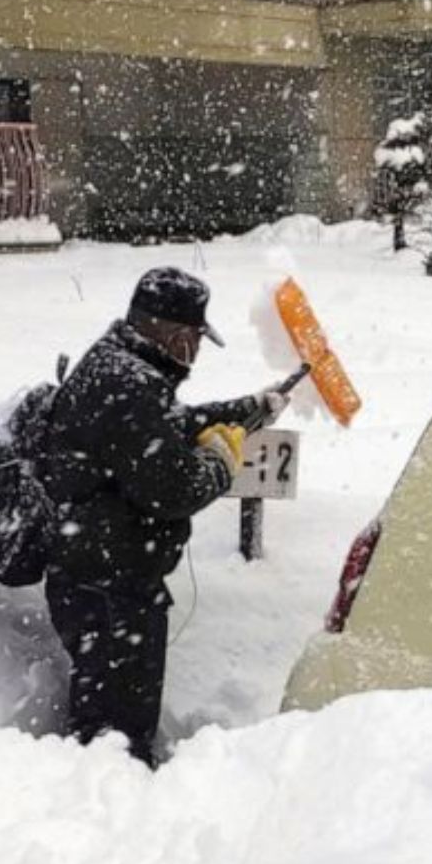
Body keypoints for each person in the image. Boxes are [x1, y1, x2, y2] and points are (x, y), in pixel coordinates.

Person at [39, 266, 288, 767]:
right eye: (195, 340)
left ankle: (101, 781)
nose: (195, 353)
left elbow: (172, 426)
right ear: (175, 337)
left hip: (95, 575)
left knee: (102, 717)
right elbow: (174, 490)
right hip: (111, 590)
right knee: (117, 734)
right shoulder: (129, 387)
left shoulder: (120, 367)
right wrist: (221, 463)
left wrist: (250, 409)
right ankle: (114, 794)